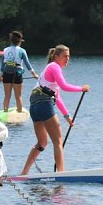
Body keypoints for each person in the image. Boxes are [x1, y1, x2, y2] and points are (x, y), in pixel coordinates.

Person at [20, 45, 90, 175]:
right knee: (58, 141)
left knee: (42, 143)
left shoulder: (50, 69)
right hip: (43, 103)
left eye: (68, 56)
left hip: (34, 106)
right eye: (64, 56)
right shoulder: (54, 66)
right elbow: (64, 86)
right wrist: (81, 88)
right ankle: (61, 173)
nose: (67, 59)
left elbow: (57, 97)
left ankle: (24, 173)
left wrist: (67, 116)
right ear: (56, 56)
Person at [0, 30, 38, 113]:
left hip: (7, 72)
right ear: (19, 42)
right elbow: (27, 64)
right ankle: (19, 112)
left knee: (7, 95)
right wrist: (34, 74)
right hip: (17, 73)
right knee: (18, 96)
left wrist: (0, 76)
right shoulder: (22, 51)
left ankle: (5, 111)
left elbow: (3, 65)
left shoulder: (5, 50)